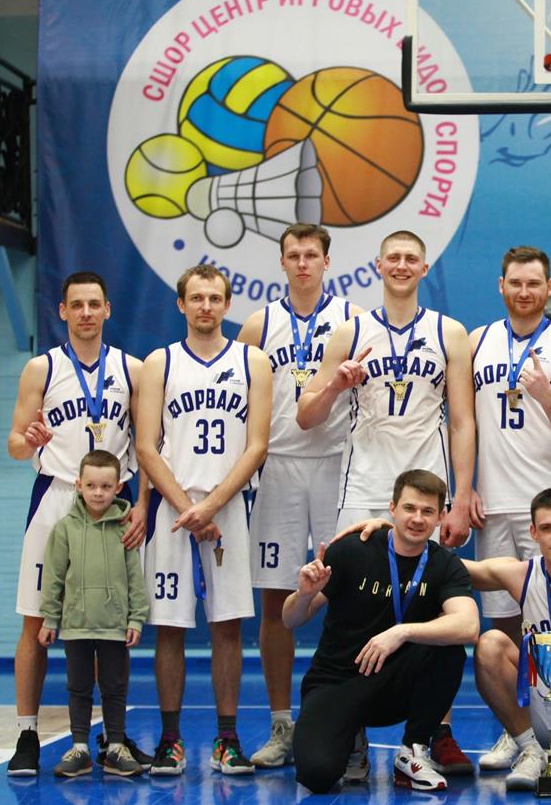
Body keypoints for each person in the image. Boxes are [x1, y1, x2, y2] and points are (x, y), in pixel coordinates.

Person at [296, 229, 477, 771]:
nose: (401, 265)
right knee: (351, 603)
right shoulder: (349, 331)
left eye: (410, 259)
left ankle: (433, 733)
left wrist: (461, 496)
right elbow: (306, 415)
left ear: (424, 268)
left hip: (427, 488)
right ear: (378, 266)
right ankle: (350, 728)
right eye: (392, 258)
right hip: (364, 485)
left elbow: (463, 420)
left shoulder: (449, 332)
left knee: (434, 607)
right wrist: (336, 385)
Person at [339, 487, 551, 791]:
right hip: (536, 708)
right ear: (533, 533)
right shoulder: (522, 574)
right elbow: (442, 564)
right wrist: (391, 531)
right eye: (547, 528)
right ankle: (529, 744)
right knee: (491, 643)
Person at [5, 271, 149, 776]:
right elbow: (15, 444)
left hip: (114, 501)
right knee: (35, 620)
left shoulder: (132, 369)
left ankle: (111, 736)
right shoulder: (41, 369)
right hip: (58, 497)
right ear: (63, 311)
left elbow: (148, 446)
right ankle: (27, 734)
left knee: (107, 624)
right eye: (77, 305)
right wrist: (29, 438)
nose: (86, 313)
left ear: (107, 309)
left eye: (94, 304)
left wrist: (143, 504)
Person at [135, 264, 272, 775]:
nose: (206, 306)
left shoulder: (252, 361)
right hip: (173, 510)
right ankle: (170, 741)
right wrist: (187, 509)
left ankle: (227, 739)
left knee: (227, 626)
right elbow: (146, 447)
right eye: (197, 298)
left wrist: (212, 505)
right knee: (169, 627)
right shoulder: (160, 362)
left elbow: (257, 445)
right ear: (181, 304)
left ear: (227, 304)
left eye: (215, 298)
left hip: (229, 507)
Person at [236, 223, 361, 771]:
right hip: (279, 467)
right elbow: (238, 398)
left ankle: (346, 723)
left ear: (327, 261)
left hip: (338, 463)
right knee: (276, 600)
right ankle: (281, 722)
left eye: (312, 254)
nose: (303, 263)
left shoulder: (353, 320)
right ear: (282, 262)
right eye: (294, 255)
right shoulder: (259, 324)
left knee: (348, 595)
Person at [468, 246, 551, 773]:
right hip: (493, 505)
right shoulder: (476, 341)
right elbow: (463, 421)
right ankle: (516, 732)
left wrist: (545, 396)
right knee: (501, 630)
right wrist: (465, 487)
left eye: (534, 283)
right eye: (515, 283)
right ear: (501, 285)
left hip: (548, 508)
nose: (524, 292)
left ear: (549, 288)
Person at [282, 470, 480, 793]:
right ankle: (352, 736)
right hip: (338, 679)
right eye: (409, 508)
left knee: (448, 646)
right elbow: (290, 619)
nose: (417, 519)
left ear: (441, 517)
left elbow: (469, 626)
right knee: (316, 775)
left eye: (428, 511)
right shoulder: (351, 550)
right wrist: (303, 594)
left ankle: (412, 751)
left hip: (396, 683)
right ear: (392, 508)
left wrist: (401, 633)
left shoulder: (445, 565)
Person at [38, 450, 149, 778]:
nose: (98, 492)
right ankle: (80, 749)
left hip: (114, 626)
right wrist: (49, 618)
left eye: (105, 486)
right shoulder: (65, 529)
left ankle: (115, 747)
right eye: (91, 485)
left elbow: (135, 577)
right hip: (76, 626)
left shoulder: (125, 528)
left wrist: (136, 618)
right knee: (78, 687)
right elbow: (54, 577)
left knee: (115, 687)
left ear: (118, 488)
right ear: (79, 486)